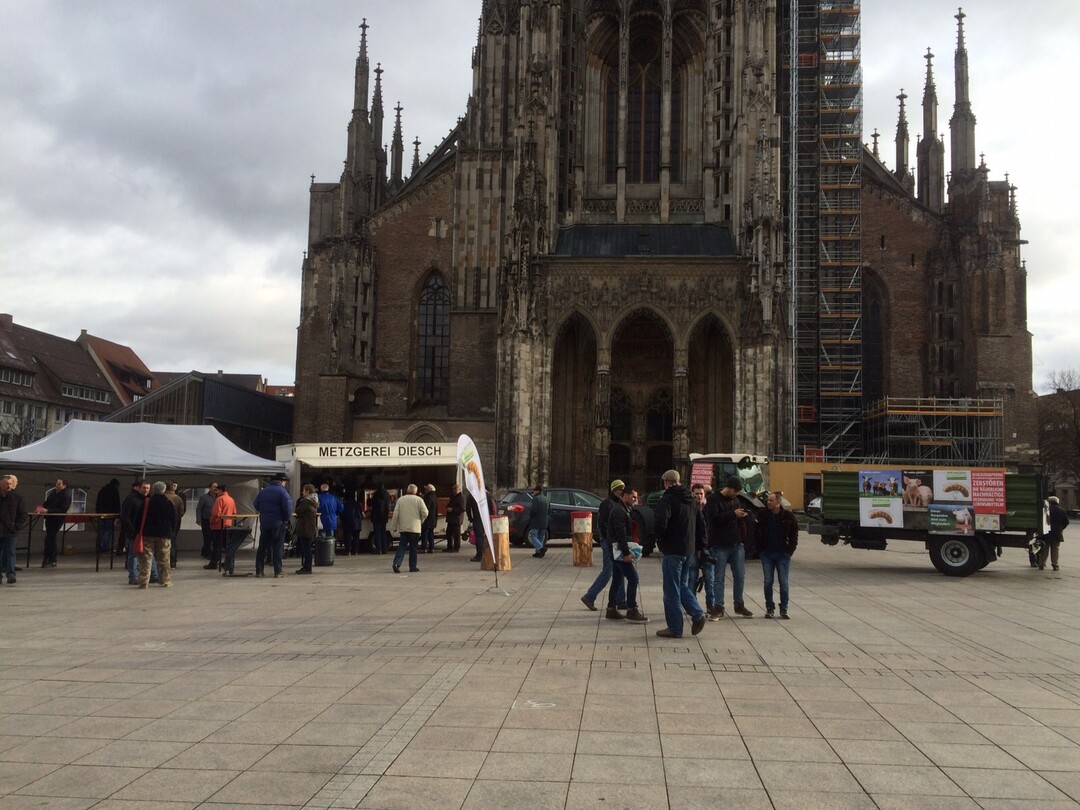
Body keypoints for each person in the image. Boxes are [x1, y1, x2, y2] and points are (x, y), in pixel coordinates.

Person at [653, 469, 707, 638]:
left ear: (666, 482)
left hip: (673, 549)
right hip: (688, 549)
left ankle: (675, 628)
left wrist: (658, 537)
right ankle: (698, 614)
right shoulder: (691, 499)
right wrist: (701, 546)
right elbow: (701, 523)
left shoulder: (667, 498)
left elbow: (661, 522)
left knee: (671, 590)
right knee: (681, 585)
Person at [704, 475, 754, 618]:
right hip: (720, 544)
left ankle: (739, 604)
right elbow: (714, 519)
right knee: (719, 577)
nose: (736, 494)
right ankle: (718, 606)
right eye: (735, 491)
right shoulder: (713, 499)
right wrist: (733, 514)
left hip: (736, 544)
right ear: (729, 488)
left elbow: (738, 521)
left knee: (740, 576)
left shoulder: (735, 500)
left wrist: (743, 538)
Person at [581, 479, 627, 613]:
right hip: (608, 541)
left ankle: (621, 600)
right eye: (618, 489)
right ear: (613, 490)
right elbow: (602, 524)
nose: (620, 491)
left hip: (616, 541)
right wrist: (609, 539)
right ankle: (589, 597)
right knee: (608, 571)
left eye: (622, 489)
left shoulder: (620, 504)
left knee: (620, 569)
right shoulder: (607, 504)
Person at [607, 486, 648, 622]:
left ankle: (611, 609)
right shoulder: (620, 511)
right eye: (633, 497)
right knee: (633, 578)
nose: (635, 499)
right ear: (625, 496)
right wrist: (626, 553)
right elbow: (621, 534)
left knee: (617, 579)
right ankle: (631, 609)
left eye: (636, 497)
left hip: (616, 549)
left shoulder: (624, 509)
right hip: (619, 550)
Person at [757, 491, 798, 619]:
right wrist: (759, 549)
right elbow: (756, 531)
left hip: (782, 554)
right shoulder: (763, 515)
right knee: (768, 581)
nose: (768, 502)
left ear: (778, 503)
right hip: (767, 553)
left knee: (783, 582)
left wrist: (790, 550)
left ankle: (784, 608)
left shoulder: (788, 516)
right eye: (768, 500)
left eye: (771, 500)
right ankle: (769, 608)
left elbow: (794, 535)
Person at [685, 482, 721, 620]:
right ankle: (692, 606)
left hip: (708, 547)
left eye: (701, 493)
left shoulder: (709, 508)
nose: (699, 496)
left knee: (710, 579)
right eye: (696, 494)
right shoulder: (689, 507)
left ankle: (710, 606)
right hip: (693, 548)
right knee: (692, 578)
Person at [135, 482, 176, 588]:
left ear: (153, 489)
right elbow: (174, 519)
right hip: (164, 534)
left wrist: (138, 531)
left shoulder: (146, 502)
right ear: (164, 490)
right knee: (164, 559)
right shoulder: (168, 503)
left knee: (146, 559)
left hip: (147, 534)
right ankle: (165, 581)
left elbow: (138, 518)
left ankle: (143, 582)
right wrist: (171, 532)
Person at [254, 473, 294, 578]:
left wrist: (264, 512)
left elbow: (255, 504)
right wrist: (286, 519)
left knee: (262, 547)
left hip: (265, 522)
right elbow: (288, 508)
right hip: (278, 523)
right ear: (281, 481)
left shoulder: (263, 491)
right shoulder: (283, 491)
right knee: (277, 547)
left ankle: (259, 571)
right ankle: (278, 571)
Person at [390, 484, 428, 573]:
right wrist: (421, 520)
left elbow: (395, 514)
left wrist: (394, 526)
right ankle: (412, 566)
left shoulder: (401, 500)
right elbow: (425, 512)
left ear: (407, 490)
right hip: (415, 528)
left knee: (402, 546)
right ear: (416, 491)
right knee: (413, 548)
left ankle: (396, 563)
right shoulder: (419, 500)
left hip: (404, 528)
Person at [121, 481, 152, 585]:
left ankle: (152, 575)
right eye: (144, 488)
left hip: (147, 532)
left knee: (149, 554)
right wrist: (132, 530)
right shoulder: (131, 499)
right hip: (134, 533)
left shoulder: (150, 499)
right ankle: (133, 576)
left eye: (148, 488)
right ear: (138, 488)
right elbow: (126, 516)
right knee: (133, 555)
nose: (146, 490)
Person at [1, 474, 29, 585]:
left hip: (11, 530)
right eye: (6, 484)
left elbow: (23, 514)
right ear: (1, 484)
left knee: (11, 553)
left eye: (10, 483)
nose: (8, 486)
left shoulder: (17, 497)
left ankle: (11, 574)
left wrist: (17, 526)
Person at [39, 478, 72, 568]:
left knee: (49, 538)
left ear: (64, 486)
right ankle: (52, 559)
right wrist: (40, 508)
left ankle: (47, 558)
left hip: (57, 519)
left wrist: (48, 510)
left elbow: (63, 509)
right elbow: (46, 503)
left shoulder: (66, 495)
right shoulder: (53, 493)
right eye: (56, 483)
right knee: (51, 538)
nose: (56, 485)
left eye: (59, 484)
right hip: (49, 518)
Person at [207, 483, 236, 570]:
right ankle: (227, 562)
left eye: (217, 490)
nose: (216, 492)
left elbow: (216, 513)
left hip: (218, 526)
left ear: (220, 490)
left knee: (216, 546)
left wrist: (211, 522)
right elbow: (234, 513)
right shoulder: (231, 499)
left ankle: (214, 563)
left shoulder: (219, 499)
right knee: (227, 546)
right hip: (228, 525)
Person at [1039, 496, 1071, 571]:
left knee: (1045, 549)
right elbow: (1066, 522)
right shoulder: (1061, 510)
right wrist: (1061, 528)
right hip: (1057, 533)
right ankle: (1055, 564)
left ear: (1049, 502)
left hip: (1046, 532)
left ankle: (1042, 564)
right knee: (1055, 549)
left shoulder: (1045, 510)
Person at [466, 489, 497, 563]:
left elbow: (468, 508)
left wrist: (470, 518)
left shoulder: (472, 495)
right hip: (486, 518)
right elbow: (492, 507)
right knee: (487, 536)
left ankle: (479, 555)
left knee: (479, 537)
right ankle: (488, 554)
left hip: (477, 519)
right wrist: (491, 517)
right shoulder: (487, 495)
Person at [294, 484, 319, 574]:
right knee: (307, 547)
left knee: (306, 549)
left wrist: (298, 513)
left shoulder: (306, 501)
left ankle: (307, 567)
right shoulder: (314, 501)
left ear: (308, 491)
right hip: (310, 526)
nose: (302, 492)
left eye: (304, 491)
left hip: (305, 526)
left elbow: (298, 510)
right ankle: (307, 566)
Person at [95, 478, 121, 554]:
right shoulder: (115, 491)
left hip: (101, 514)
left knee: (100, 531)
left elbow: (98, 502)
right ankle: (105, 548)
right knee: (108, 531)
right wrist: (118, 514)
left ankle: (98, 547)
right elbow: (117, 503)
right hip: (110, 514)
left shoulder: (102, 490)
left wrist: (98, 511)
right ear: (116, 485)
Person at [163, 482, 186, 569]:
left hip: (162, 524)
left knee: (161, 543)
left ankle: (163, 562)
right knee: (173, 542)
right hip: (174, 523)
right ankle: (173, 562)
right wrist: (176, 519)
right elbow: (181, 511)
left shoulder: (162, 497)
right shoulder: (178, 498)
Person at [195, 482, 219, 559]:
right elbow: (199, 509)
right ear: (210, 488)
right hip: (206, 520)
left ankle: (204, 551)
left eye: (217, 487)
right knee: (207, 537)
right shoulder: (204, 498)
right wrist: (198, 519)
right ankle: (208, 554)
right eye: (214, 487)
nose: (215, 488)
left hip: (216, 521)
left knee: (213, 538)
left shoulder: (219, 497)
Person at [317, 483, 344, 549]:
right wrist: (336, 514)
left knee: (322, 540)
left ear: (321, 489)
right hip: (332, 520)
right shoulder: (334, 497)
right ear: (328, 489)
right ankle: (330, 552)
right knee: (330, 539)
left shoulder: (318, 498)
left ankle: (323, 552)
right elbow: (341, 508)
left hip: (321, 521)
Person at [527, 484, 550, 558]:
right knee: (541, 536)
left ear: (537, 491)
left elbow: (533, 510)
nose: (533, 492)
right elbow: (549, 510)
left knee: (533, 536)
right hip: (544, 521)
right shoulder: (546, 499)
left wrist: (531, 516)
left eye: (534, 490)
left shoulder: (535, 499)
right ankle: (538, 552)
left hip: (536, 521)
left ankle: (541, 548)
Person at [369, 485, 390, 554]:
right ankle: (384, 550)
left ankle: (378, 550)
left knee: (377, 533)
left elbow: (370, 504)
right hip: (384, 516)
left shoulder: (375, 495)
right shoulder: (387, 494)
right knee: (383, 532)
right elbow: (388, 505)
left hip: (376, 516)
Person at [444, 484, 465, 552]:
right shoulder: (453, 497)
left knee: (456, 534)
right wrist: (447, 505)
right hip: (451, 518)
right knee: (449, 533)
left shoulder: (461, 498)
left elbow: (462, 509)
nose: (454, 491)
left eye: (456, 489)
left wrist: (452, 509)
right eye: (453, 489)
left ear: (459, 490)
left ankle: (456, 547)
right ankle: (449, 547)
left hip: (457, 518)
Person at [421, 484, 438, 553]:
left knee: (424, 533)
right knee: (431, 533)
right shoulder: (434, 496)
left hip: (428, 519)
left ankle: (424, 547)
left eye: (426, 489)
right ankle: (431, 547)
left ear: (428, 490)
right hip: (433, 518)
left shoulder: (428, 497)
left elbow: (426, 508)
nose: (425, 491)